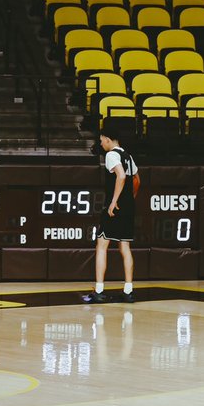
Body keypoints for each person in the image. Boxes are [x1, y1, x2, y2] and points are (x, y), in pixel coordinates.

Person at [82, 120, 139, 304]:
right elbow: (137, 179)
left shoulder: (111, 156)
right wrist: (131, 199)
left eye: (101, 140)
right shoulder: (128, 156)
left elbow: (121, 176)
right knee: (125, 247)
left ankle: (98, 290)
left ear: (107, 139)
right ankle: (128, 290)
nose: (100, 144)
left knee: (101, 245)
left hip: (115, 207)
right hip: (129, 207)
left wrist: (114, 201)